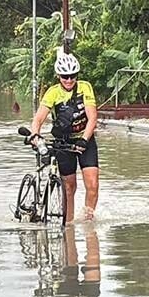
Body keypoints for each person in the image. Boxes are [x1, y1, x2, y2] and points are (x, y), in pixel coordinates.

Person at [29, 51, 99, 222]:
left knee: (93, 185)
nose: (69, 80)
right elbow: (38, 118)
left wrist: (84, 139)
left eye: (72, 76)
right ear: (59, 76)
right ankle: (68, 224)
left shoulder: (85, 87)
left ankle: (89, 221)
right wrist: (35, 136)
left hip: (85, 140)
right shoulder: (53, 93)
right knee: (69, 187)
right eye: (65, 76)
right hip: (63, 143)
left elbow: (92, 117)